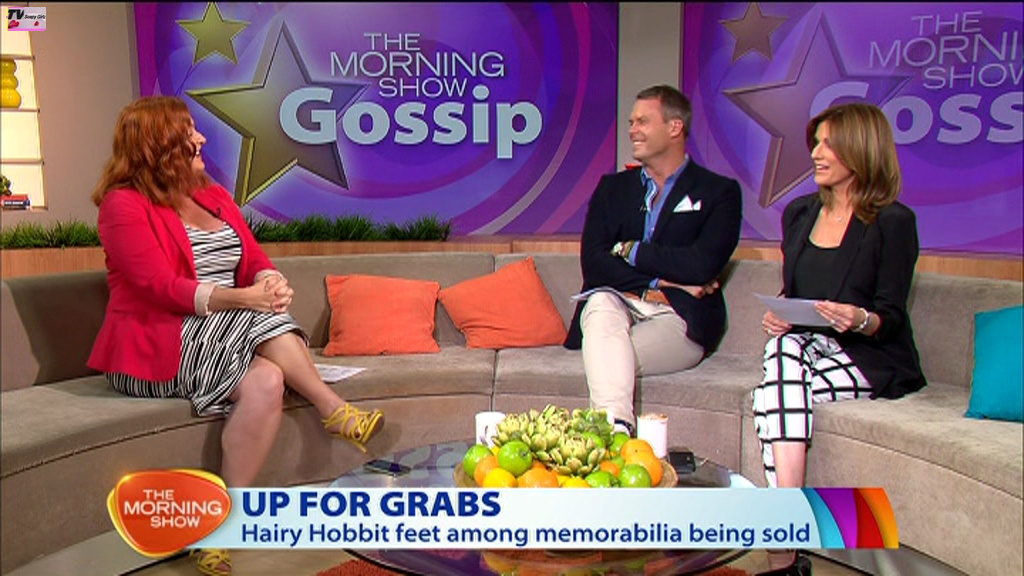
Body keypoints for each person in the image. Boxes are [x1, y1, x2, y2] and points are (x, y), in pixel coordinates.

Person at [87, 96, 384, 576]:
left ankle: (222, 527)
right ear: (159, 146)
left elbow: (252, 258)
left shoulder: (213, 195)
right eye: (188, 132)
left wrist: (270, 281)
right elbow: (158, 287)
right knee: (260, 318)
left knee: (267, 381)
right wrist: (246, 298)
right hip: (159, 346)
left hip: (229, 333)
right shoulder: (123, 206)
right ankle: (332, 407)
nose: (201, 138)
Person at [751, 102, 927, 574]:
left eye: (829, 144)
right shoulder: (799, 214)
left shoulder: (893, 221)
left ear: (860, 149)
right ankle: (789, 542)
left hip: (869, 355)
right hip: (806, 347)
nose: (816, 152)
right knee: (782, 350)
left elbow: (890, 317)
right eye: (816, 142)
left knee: (771, 395)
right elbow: (796, 290)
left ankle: (782, 547)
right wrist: (781, 312)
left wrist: (859, 318)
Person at [564, 85, 742, 435]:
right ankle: (616, 431)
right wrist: (661, 281)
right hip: (620, 304)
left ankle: (607, 435)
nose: (633, 130)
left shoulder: (719, 192)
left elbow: (702, 265)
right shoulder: (612, 189)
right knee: (599, 301)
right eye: (631, 122)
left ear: (675, 127)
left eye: (643, 121)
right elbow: (594, 263)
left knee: (606, 357)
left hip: (679, 316)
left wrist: (631, 250)